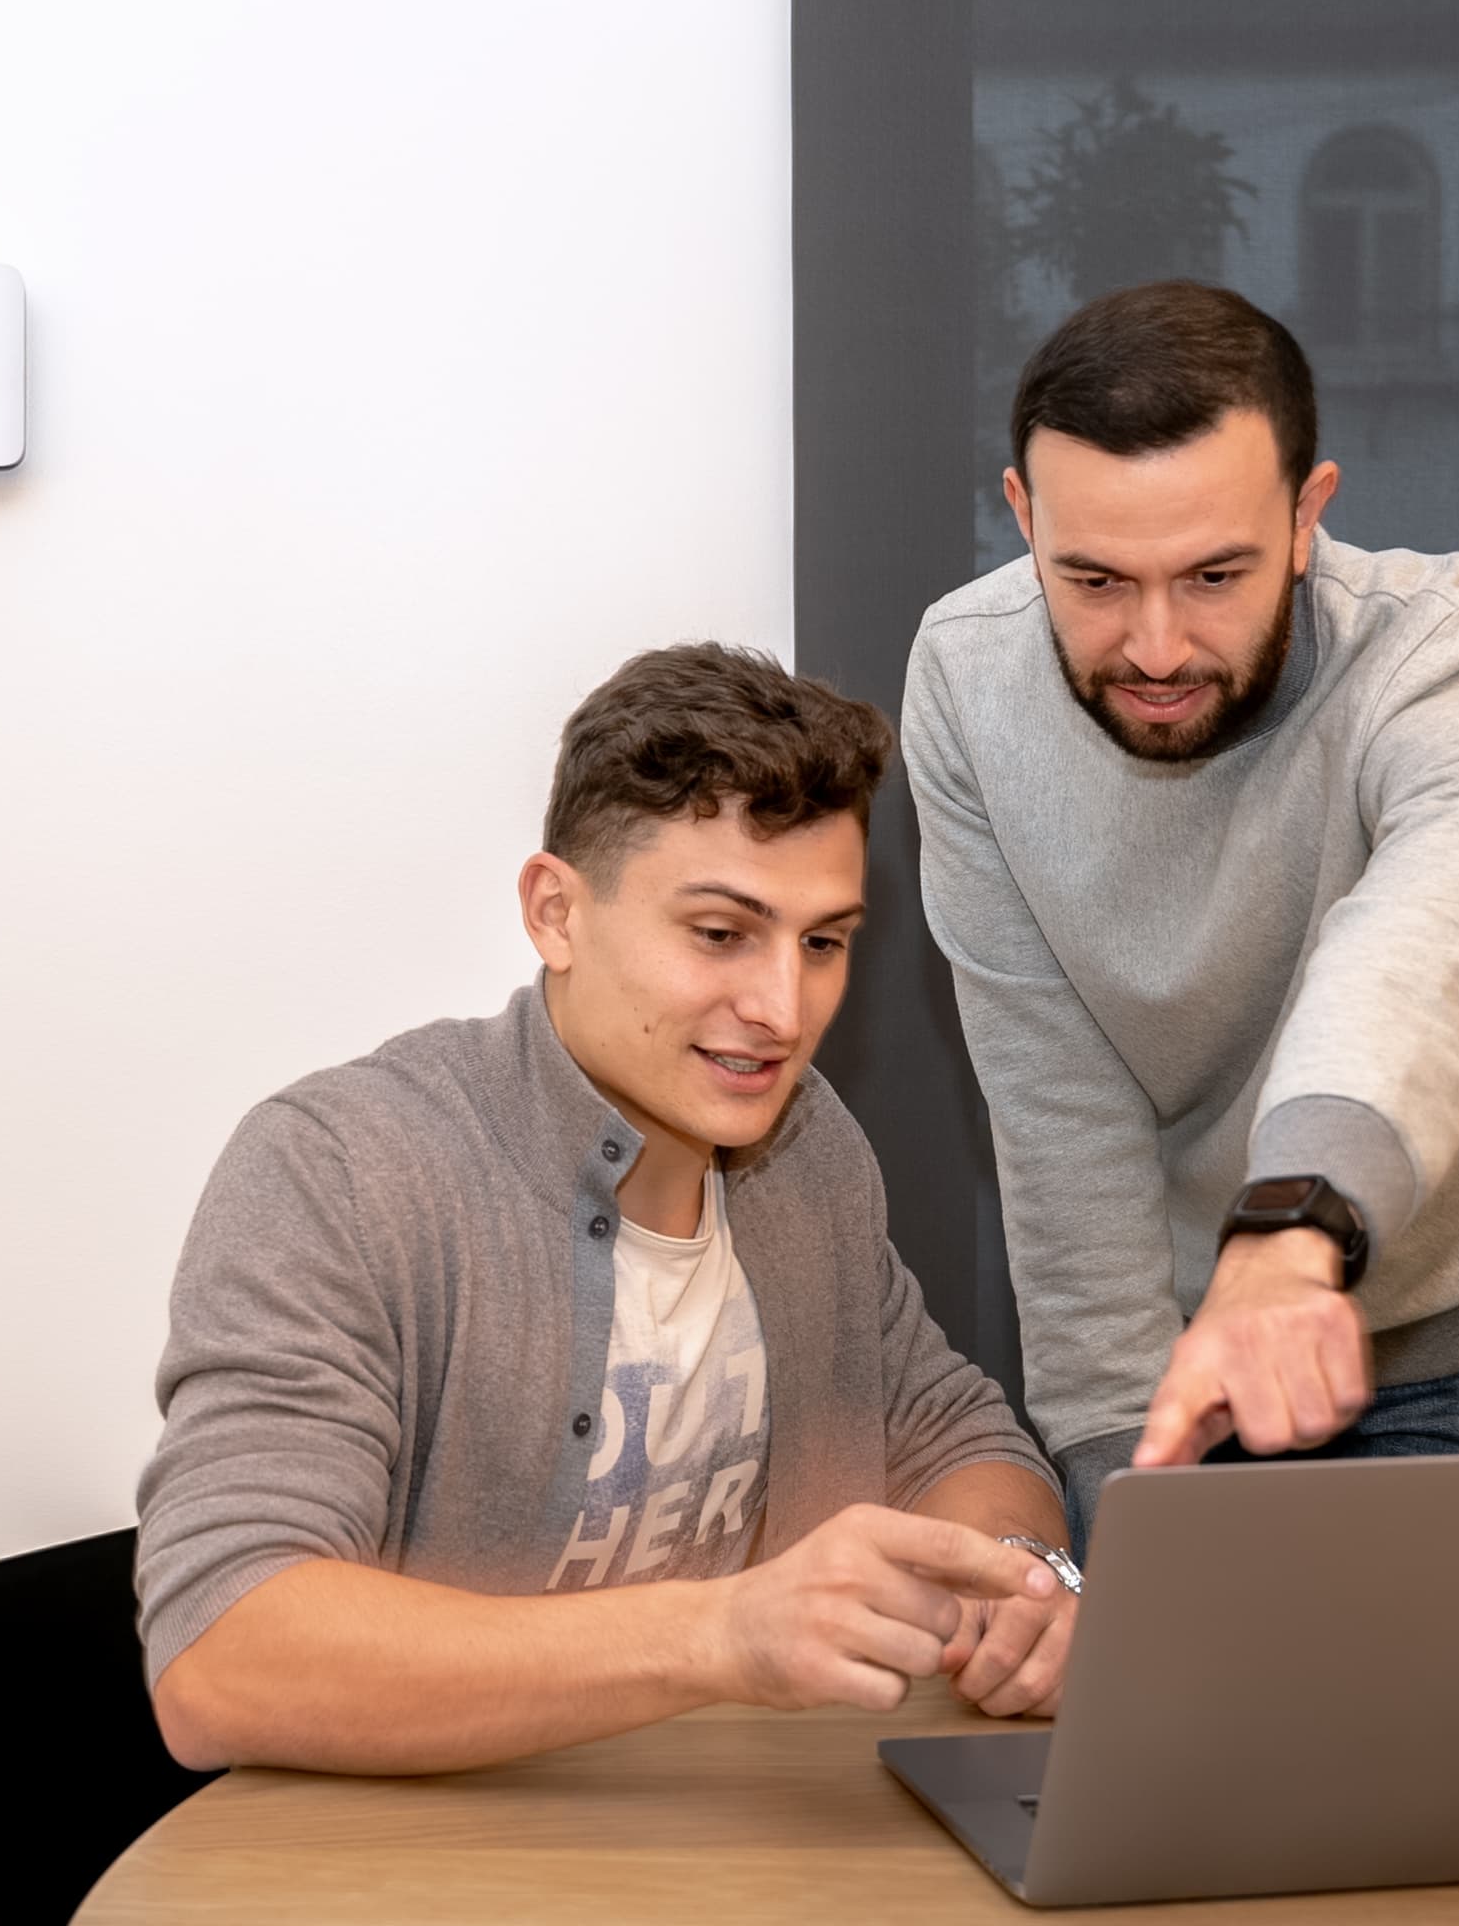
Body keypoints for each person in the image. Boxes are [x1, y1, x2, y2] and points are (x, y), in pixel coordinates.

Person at [134, 644, 1074, 1776]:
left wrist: (1017, 1582)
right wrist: (720, 1635)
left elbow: (959, 1437)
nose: (781, 1009)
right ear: (556, 913)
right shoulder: (340, 1171)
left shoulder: (808, 1149)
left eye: (822, 943)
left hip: (736, 1849)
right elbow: (223, 1656)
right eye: (721, 934)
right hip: (421, 1863)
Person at [904, 281, 1459, 1552]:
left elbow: (1433, 946)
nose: (1158, 646)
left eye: (1215, 574)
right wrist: (1123, 1474)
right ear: (1022, 516)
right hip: (1188, 1354)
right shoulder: (968, 681)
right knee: (1180, 1736)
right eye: (1093, 578)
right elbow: (1058, 1112)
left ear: (1308, 514)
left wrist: (1294, 1227)